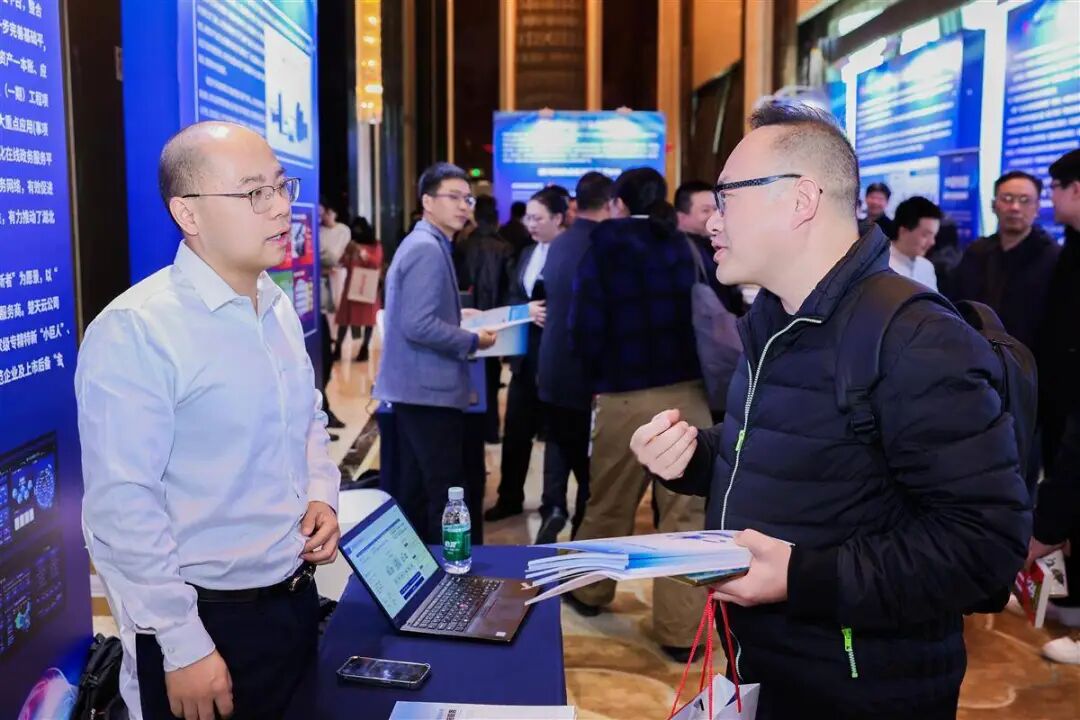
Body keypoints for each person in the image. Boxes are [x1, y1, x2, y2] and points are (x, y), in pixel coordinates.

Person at [629, 104, 1029, 719]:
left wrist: (802, 576)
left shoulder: (915, 338)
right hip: (768, 664)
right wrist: (693, 457)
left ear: (800, 200)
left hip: (863, 686)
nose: (711, 220)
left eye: (727, 198)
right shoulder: (776, 318)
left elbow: (985, 546)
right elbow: (800, 450)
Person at [77, 121, 342, 720]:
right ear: (187, 213)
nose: (281, 208)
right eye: (254, 193)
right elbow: (122, 506)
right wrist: (183, 644)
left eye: (281, 187)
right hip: (205, 623)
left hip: (293, 600)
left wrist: (320, 492)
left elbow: (305, 418)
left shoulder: (274, 306)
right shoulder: (139, 329)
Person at [567, 167, 712, 663]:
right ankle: (680, 631)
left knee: (610, 500)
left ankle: (589, 591)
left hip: (624, 396)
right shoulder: (685, 246)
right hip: (689, 395)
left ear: (619, 204)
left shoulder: (604, 248)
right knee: (685, 514)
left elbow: (584, 326)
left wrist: (592, 378)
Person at [374, 162, 496, 542]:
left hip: (418, 389)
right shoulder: (427, 248)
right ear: (427, 201)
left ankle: (426, 564)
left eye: (468, 199)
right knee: (443, 489)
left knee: (418, 489)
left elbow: (414, 314)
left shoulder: (427, 242)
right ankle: (449, 567)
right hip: (427, 392)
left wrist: (457, 316)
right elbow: (418, 324)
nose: (463, 206)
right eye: (453, 197)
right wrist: (472, 340)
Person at [535, 171, 612, 544]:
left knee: (560, 443)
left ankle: (553, 509)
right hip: (587, 374)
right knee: (590, 465)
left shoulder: (560, 243)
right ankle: (583, 535)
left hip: (553, 367)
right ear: (611, 204)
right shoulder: (606, 244)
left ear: (575, 204)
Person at [484, 187, 566, 522]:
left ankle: (553, 503)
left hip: (558, 358)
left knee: (557, 435)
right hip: (524, 358)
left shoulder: (570, 252)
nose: (530, 224)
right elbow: (513, 296)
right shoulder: (527, 252)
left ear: (558, 218)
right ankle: (510, 497)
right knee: (516, 431)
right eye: (528, 217)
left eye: (538, 218)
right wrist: (524, 310)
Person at [1028, 148, 1080, 665]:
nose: (1050, 200)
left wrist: (1045, 528)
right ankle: (1072, 601)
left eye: (1054, 189)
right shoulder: (1069, 247)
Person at [948, 170, 1058, 352]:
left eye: (1025, 200)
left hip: (1027, 360)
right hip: (974, 354)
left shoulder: (1052, 258)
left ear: (1037, 208)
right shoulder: (976, 252)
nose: (1015, 207)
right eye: (1007, 198)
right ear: (994, 205)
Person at [453, 195, 513, 443]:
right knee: (492, 373)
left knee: (467, 373)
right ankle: (491, 430)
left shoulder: (463, 245)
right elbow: (509, 287)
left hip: (466, 316)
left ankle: (470, 428)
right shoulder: (505, 247)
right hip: (495, 318)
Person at [675, 179, 745, 315]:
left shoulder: (712, 246)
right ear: (681, 217)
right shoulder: (681, 253)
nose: (714, 216)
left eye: (716, 208)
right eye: (705, 210)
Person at [335, 217, 382, 363]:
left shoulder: (375, 245)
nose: (357, 232)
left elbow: (376, 263)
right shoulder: (351, 245)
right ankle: (337, 348)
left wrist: (361, 252)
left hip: (367, 285)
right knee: (344, 319)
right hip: (351, 287)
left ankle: (364, 349)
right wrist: (348, 252)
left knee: (368, 320)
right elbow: (342, 262)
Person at [887, 196, 941, 290]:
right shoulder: (880, 267)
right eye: (925, 235)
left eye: (933, 236)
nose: (932, 242)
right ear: (903, 231)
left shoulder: (927, 267)